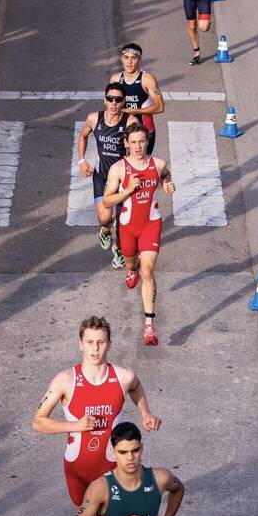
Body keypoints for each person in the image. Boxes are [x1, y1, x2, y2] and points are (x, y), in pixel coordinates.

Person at [32, 316, 162, 516]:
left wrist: (145, 412)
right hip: (77, 473)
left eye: (101, 342)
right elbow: (38, 422)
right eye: (89, 342)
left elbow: (136, 388)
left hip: (111, 472)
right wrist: (74, 425)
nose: (95, 348)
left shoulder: (123, 376)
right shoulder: (65, 381)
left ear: (109, 343)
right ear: (80, 343)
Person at [103, 124, 175, 346]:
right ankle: (130, 268)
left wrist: (167, 184)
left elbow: (165, 175)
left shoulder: (158, 163)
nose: (137, 146)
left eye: (141, 142)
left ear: (147, 142)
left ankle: (149, 326)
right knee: (131, 261)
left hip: (151, 224)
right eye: (133, 142)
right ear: (126, 143)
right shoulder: (119, 169)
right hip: (127, 227)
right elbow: (107, 200)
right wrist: (127, 191)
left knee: (148, 270)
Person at [77, 82, 129, 268]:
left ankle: (119, 249)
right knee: (104, 218)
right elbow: (83, 136)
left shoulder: (130, 123)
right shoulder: (94, 119)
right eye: (110, 99)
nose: (114, 103)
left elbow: (140, 149)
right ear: (104, 100)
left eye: (118, 100)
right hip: (102, 176)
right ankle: (106, 230)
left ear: (123, 102)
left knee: (124, 222)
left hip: (124, 180)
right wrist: (82, 161)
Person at [109, 43, 164, 154]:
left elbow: (160, 107)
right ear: (122, 59)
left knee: (142, 167)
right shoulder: (115, 79)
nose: (129, 62)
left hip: (144, 130)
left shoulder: (147, 79)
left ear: (139, 60)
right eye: (126, 58)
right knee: (121, 166)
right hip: (122, 129)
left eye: (133, 58)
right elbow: (110, 105)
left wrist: (135, 111)